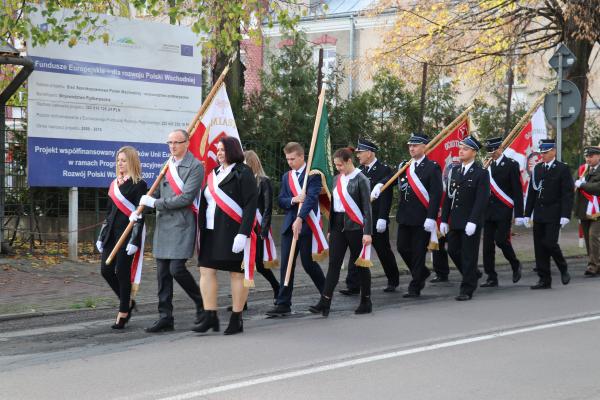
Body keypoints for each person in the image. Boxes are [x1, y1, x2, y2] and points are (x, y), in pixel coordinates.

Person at [139, 129, 205, 333]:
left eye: (177, 142)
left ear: (187, 143)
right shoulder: (166, 165)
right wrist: (141, 208)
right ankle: (165, 316)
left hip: (182, 225)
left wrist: (155, 203)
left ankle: (202, 304)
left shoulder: (195, 166)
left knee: (176, 269)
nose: (173, 146)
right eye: (170, 142)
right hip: (164, 226)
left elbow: (185, 198)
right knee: (162, 274)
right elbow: (156, 192)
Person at [193, 136, 258, 335]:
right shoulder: (213, 173)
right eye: (218, 150)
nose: (219, 153)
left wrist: (243, 233)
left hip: (232, 232)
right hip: (210, 231)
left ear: (233, 150)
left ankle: (236, 318)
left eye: (223, 149)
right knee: (206, 270)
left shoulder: (243, 172)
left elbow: (250, 205)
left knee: (236, 273)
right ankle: (210, 316)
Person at [373, 133, 442, 298]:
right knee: (402, 248)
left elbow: (436, 194)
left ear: (424, 147)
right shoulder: (405, 165)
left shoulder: (432, 167)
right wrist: (380, 184)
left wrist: (431, 217)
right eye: (410, 145)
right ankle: (422, 272)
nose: (411, 148)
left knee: (418, 252)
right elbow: (391, 178)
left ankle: (415, 286)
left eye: (415, 145)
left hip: (422, 217)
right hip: (405, 216)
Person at [309, 147, 373, 316]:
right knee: (334, 264)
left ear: (349, 161)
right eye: (336, 165)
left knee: (361, 265)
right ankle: (325, 301)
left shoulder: (361, 179)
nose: (338, 168)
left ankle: (366, 300)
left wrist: (367, 232)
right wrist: (330, 228)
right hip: (338, 225)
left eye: (340, 165)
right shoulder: (337, 179)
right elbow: (334, 206)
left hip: (356, 226)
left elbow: (367, 208)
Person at [266, 142, 327, 317]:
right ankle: (283, 303)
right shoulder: (287, 176)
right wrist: (294, 199)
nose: (290, 162)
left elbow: (312, 198)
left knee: (308, 264)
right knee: (286, 265)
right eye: (287, 159)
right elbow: (281, 200)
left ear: (301, 156)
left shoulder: (312, 175)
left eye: (293, 159)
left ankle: (326, 296)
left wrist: (300, 218)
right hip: (289, 226)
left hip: (306, 225)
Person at [340, 138, 399, 295]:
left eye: (360, 152)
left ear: (370, 153)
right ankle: (353, 285)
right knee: (356, 251)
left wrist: (383, 217)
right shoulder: (359, 171)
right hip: (360, 219)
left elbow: (387, 194)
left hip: (376, 218)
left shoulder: (383, 170)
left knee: (383, 251)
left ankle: (393, 280)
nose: (358, 155)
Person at [98, 146, 147, 329]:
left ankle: (123, 312)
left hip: (127, 234)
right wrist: (102, 236)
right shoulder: (114, 184)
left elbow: (140, 214)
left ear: (132, 162)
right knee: (106, 270)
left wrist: (135, 240)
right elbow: (108, 213)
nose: (120, 163)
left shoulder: (139, 184)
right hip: (111, 234)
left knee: (122, 272)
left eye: (124, 160)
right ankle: (127, 302)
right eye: (118, 160)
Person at [440, 135, 489, 301]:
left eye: (465, 149)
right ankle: (472, 273)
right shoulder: (455, 171)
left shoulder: (481, 173)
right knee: (453, 250)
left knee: (469, 255)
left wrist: (473, 221)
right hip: (456, 220)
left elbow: (481, 200)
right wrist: (444, 219)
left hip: (470, 221)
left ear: (474, 152)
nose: (461, 151)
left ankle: (467, 289)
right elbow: (449, 197)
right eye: (460, 148)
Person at [524, 138, 574, 289]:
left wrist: (565, 214)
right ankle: (544, 279)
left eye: (545, 152)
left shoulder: (562, 169)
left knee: (550, 243)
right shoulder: (538, 169)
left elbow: (567, 194)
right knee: (539, 247)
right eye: (541, 153)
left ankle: (563, 267)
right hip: (539, 213)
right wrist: (527, 214)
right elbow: (532, 193)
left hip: (554, 213)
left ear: (553, 151)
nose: (543, 155)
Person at [481, 137, 524, 287]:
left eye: (493, 150)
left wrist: (519, 214)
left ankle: (515, 264)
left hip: (504, 209)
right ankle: (491, 276)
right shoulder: (487, 165)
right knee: (487, 246)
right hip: (488, 211)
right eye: (489, 151)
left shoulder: (511, 165)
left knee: (500, 240)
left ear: (500, 149)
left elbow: (517, 191)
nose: (491, 153)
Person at [244, 150, 280, 300]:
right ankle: (242, 301)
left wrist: (263, 230)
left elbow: (267, 207)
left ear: (250, 163)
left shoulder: (263, 181)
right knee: (242, 265)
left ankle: (276, 287)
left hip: (257, 227)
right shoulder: (242, 180)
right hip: (244, 226)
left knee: (259, 264)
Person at [574, 145, 600, 277]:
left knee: (593, 236)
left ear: (598, 156)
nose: (588, 159)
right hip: (584, 209)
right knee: (588, 238)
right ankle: (596, 263)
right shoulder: (583, 169)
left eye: (591, 156)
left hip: (598, 211)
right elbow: (573, 181)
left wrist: (583, 184)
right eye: (586, 156)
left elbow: (597, 187)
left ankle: (593, 266)